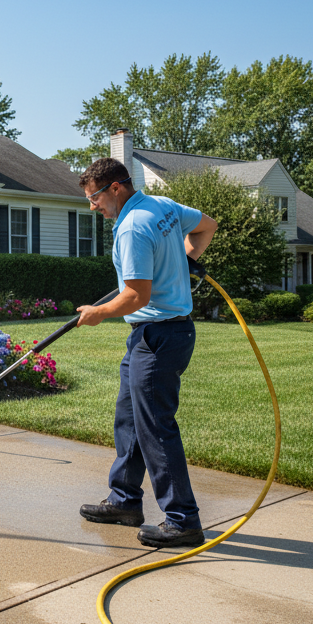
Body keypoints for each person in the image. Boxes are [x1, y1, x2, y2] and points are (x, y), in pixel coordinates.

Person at [74, 158, 218, 548]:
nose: (93, 207)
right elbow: (208, 226)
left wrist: (97, 313)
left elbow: (137, 295)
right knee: (130, 418)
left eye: (95, 198)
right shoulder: (162, 205)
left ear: (116, 188)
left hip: (158, 337)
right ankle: (124, 500)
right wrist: (186, 261)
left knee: (155, 428)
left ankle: (183, 520)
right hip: (162, 334)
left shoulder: (133, 227)